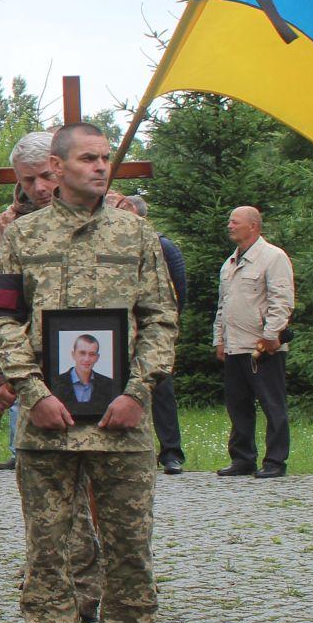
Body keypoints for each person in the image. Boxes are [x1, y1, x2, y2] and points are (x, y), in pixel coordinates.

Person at [0, 122, 177, 623]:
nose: (101, 167)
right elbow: (3, 319)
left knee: (129, 544)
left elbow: (162, 320)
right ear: (59, 166)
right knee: (48, 544)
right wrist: (31, 391)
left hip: (121, 423)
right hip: (50, 424)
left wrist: (137, 392)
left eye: (105, 158)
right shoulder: (22, 238)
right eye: (89, 158)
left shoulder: (137, 236)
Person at [0, 132, 58, 473]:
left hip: (97, 366)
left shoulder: (109, 212)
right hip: (28, 370)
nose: (38, 187)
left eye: (46, 176)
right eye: (28, 179)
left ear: (61, 165)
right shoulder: (6, 227)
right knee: (43, 483)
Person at [214, 204, 294, 479]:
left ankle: (275, 461)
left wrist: (272, 335)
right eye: (230, 221)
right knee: (238, 405)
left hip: (263, 348)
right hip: (236, 345)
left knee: (273, 404)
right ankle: (243, 458)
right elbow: (223, 306)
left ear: (253, 226)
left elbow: (281, 300)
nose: (230, 225)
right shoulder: (230, 263)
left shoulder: (273, 257)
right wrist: (219, 339)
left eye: (235, 221)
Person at [114, 195, 187, 473]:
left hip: (149, 333)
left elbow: (178, 292)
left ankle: (171, 452)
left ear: (132, 210)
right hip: (115, 333)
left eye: (118, 208)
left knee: (161, 389)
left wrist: (162, 330)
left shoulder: (163, 245)